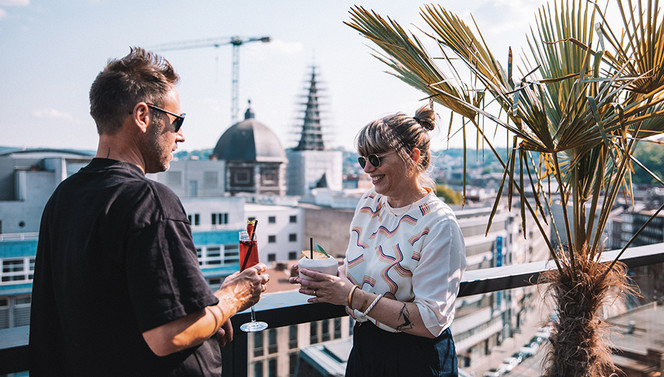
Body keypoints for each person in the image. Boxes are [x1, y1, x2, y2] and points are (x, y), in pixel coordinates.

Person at [29, 47, 270, 377]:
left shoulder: (64, 196)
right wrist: (234, 296)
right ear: (143, 116)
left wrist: (208, 310)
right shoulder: (149, 201)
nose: (181, 136)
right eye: (177, 121)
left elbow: (126, 304)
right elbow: (170, 334)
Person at [291, 105, 466, 377]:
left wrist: (351, 297)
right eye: (362, 160)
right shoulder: (369, 203)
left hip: (416, 359)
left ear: (412, 157)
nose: (367, 168)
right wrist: (324, 272)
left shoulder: (439, 223)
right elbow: (362, 270)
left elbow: (431, 321)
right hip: (365, 348)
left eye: (375, 158)